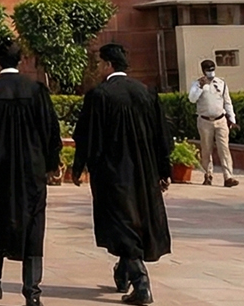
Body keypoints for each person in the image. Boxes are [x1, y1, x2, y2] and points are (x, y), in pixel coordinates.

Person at [0, 40, 60, 306]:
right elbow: (51, 132)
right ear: (21, 60)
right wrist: (52, 165)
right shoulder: (37, 90)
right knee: (34, 223)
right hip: (32, 171)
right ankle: (32, 291)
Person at [72, 43, 172, 306]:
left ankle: (141, 283)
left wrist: (79, 166)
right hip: (145, 171)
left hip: (113, 172)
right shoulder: (145, 93)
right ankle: (123, 271)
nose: (98, 68)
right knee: (135, 221)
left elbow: (86, 136)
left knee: (121, 223)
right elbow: (162, 136)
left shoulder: (100, 96)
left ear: (108, 65)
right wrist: (164, 170)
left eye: (100, 63)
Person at [188, 59, 239, 187]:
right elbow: (192, 99)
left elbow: (227, 102)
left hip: (220, 120)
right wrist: (201, 87)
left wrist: (232, 119)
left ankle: (228, 177)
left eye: (212, 69)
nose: (210, 72)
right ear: (203, 71)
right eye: (208, 70)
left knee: (224, 148)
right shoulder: (197, 84)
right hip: (205, 120)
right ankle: (208, 174)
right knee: (206, 149)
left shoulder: (221, 83)